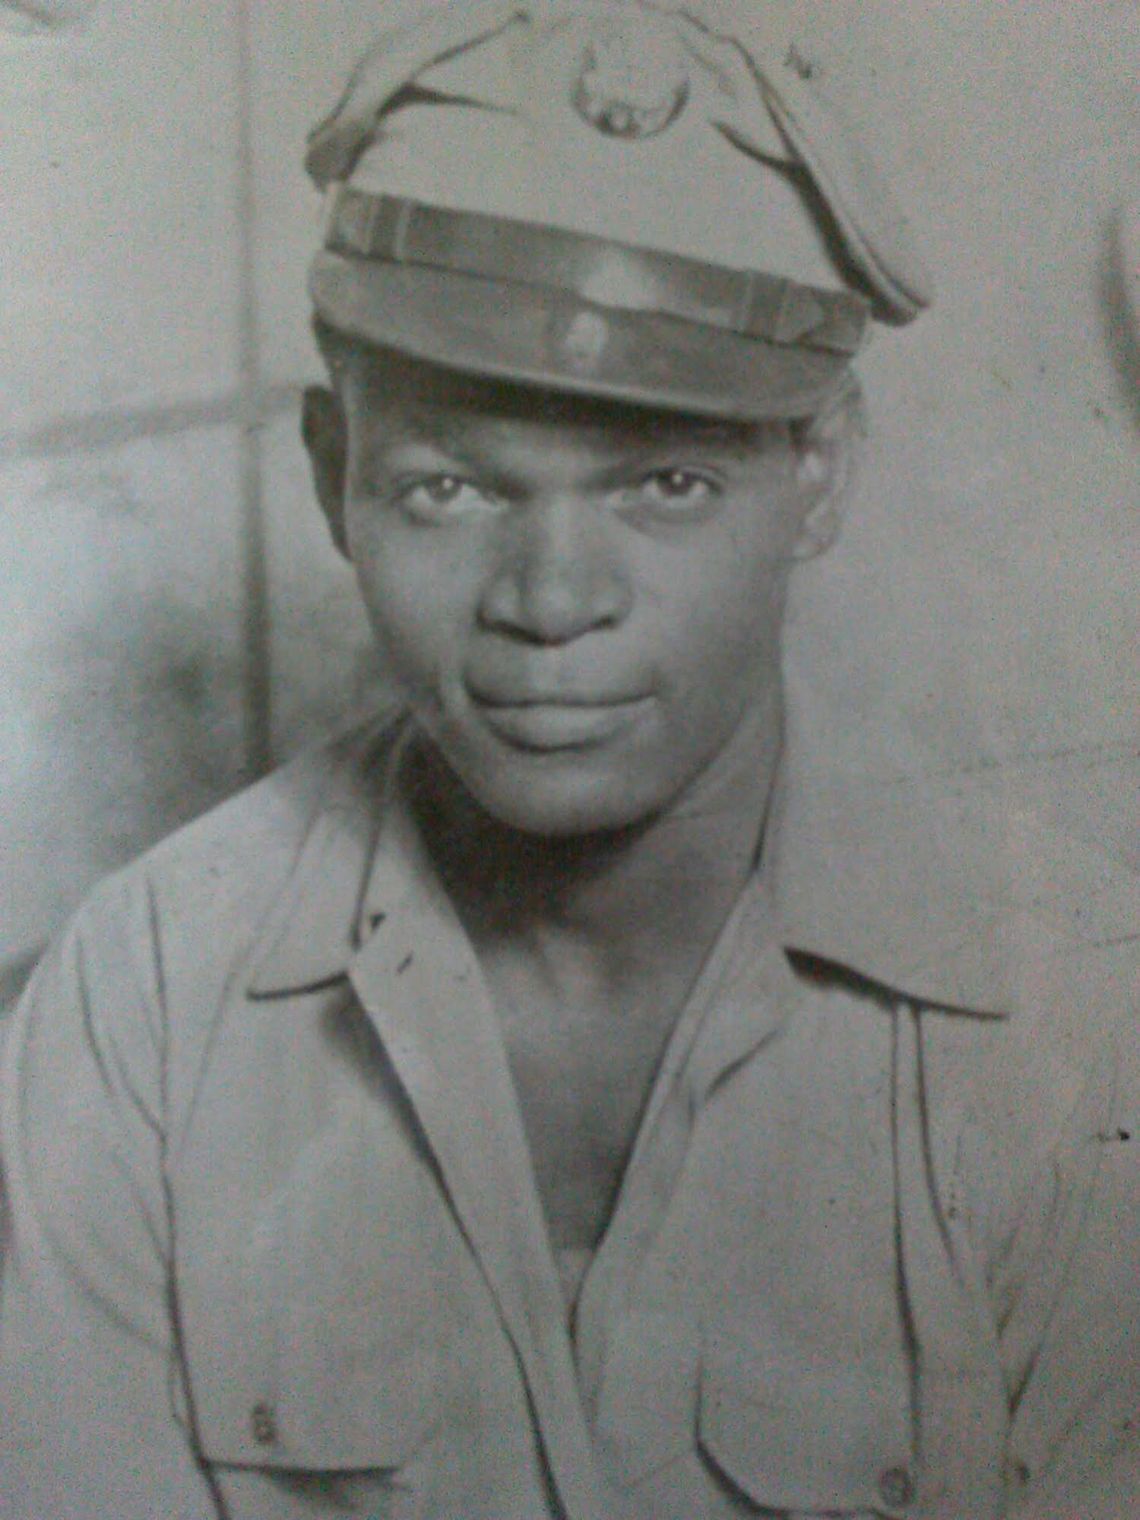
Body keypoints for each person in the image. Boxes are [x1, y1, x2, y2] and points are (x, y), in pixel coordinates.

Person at [1, 4, 1137, 1517]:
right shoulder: (137, 1010)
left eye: (664, 483)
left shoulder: (1070, 1021)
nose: (549, 600)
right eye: (450, 484)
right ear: (336, 475)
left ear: (819, 476)